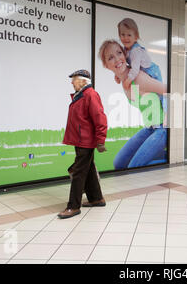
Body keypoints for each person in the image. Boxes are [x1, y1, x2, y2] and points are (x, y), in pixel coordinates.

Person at [99, 40, 167, 169]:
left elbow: (170, 90)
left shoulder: (138, 78)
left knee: (133, 167)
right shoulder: (124, 82)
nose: (117, 59)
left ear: (125, 55)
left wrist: (168, 115)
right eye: (110, 58)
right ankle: (155, 154)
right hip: (149, 128)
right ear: (106, 65)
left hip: (162, 129)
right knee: (119, 164)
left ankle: (169, 158)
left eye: (119, 53)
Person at [58, 70, 108, 219]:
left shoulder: (90, 95)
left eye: (74, 80)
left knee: (78, 172)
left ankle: (73, 206)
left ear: (83, 81)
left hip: (85, 141)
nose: (72, 83)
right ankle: (96, 198)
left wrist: (100, 140)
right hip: (80, 139)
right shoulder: (81, 96)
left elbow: (100, 118)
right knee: (89, 169)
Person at [115, 18, 167, 112]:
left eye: (129, 35)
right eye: (122, 34)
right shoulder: (125, 49)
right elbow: (122, 64)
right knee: (142, 94)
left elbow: (134, 70)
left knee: (160, 93)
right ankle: (151, 115)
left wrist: (128, 80)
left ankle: (165, 112)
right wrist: (117, 75)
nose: (126, 38)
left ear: (135, 37)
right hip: (141, 72)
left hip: (152, 71)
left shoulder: (135, 51)